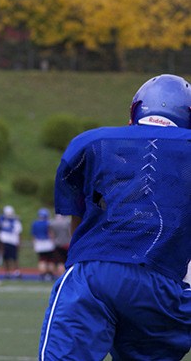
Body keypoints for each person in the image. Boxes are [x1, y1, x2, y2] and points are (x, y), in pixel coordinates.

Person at [39, 74, 191, 361]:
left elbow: (78, 214)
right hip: (163, 283)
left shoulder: (92, 142)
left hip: (95, 272)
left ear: (136, 110)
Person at [0, 205, 22, 278]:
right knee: (6, 258)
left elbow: (18, 232)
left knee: (14, 258)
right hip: (4, 241)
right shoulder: (1, 220)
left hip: (13, 241)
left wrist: (19, 242)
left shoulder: (15, 221)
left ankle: (16, 271)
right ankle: (7, 272)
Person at [31, 208, 56, 281]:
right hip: (48, 242)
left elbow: (33, 235)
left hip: (39, 243)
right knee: (50, 260)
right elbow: (50, 233)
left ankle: (42, 275)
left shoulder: (35, 223)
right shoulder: (48, 223)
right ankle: (49, 275)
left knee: (42, 260)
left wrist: (34, 244)